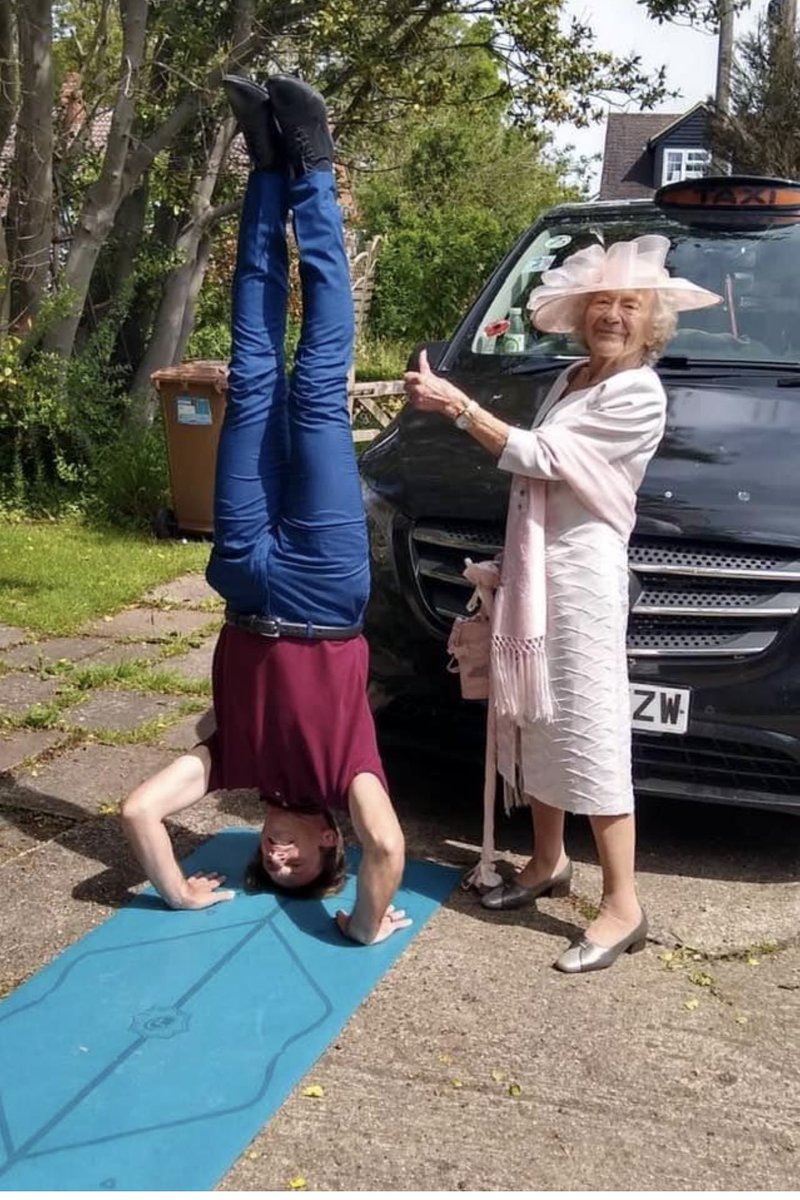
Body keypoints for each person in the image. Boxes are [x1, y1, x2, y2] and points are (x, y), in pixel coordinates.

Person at [121, 75, 408, 946]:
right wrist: (362, 925)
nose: (281, 861)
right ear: (332, 844)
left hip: (243, 582)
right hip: (323, 593)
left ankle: (263, 165)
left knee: (254, 371)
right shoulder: (346, 778)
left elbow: (138, 811)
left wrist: (177, 891)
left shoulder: (231, 764)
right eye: (306, 865)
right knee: (317, 387)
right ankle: (312, 169)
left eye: (271, 867)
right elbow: (389, 848)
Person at [404, 236, 720, 973]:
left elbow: (542, 457)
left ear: (652, 324)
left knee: (592, 730)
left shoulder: (638, 391)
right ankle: (547, 860)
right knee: (532, 714)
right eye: (601, 303)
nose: (612, 316)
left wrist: (459, 406)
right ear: (580, 314)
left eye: (629, 306)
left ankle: (623, 906)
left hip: (579, 584)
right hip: (536, 572)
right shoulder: (573, 375)